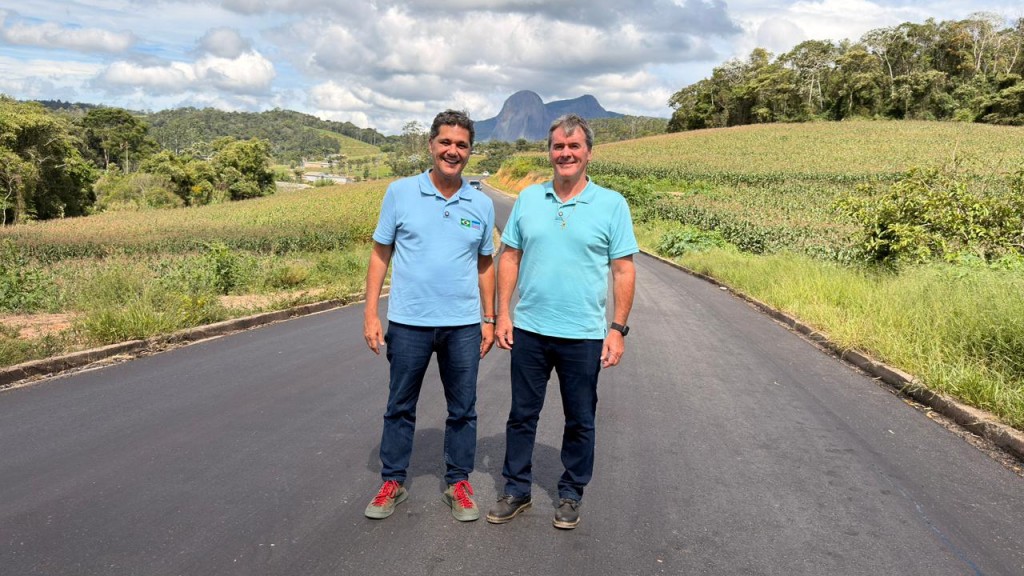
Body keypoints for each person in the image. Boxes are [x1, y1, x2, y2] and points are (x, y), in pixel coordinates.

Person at [486, 114, 638, 530]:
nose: (565, 153)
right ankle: (516, 490)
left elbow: (623, 270)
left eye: (574, 146)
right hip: (530, 330)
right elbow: (510, 256)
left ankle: (571, 492)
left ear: (588, 152)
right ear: (549, 151)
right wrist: (503, 314)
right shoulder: (529, 199)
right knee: (521, 415)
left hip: (583, 335)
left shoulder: (612, 204)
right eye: (558, 146)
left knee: (580, 418)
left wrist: (617, 329)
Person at [363, 109, 496, 522]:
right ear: (431, 145)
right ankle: (393, 481)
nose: (453, 151)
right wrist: (371, 313)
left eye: (461, 145)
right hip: (408, 323)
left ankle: (458, 482)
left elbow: (485, 264)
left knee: (463, 408)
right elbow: (380, 253)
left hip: (462, 326)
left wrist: (489, 319)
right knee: (399, 405)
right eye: (446, 142)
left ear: (469, 152)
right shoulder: (400, 193)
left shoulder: (481, 203)